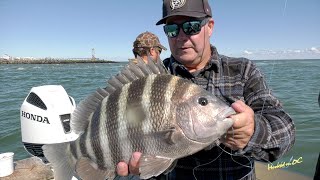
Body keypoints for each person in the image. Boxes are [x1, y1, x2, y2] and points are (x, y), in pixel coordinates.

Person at [117, 0, 295, 179]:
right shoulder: (151, 79)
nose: (181, 37)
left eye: (191, 26)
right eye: (172, 29)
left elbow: (285, 129)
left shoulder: (243, 70)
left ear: (209, 27)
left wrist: (254, 132)